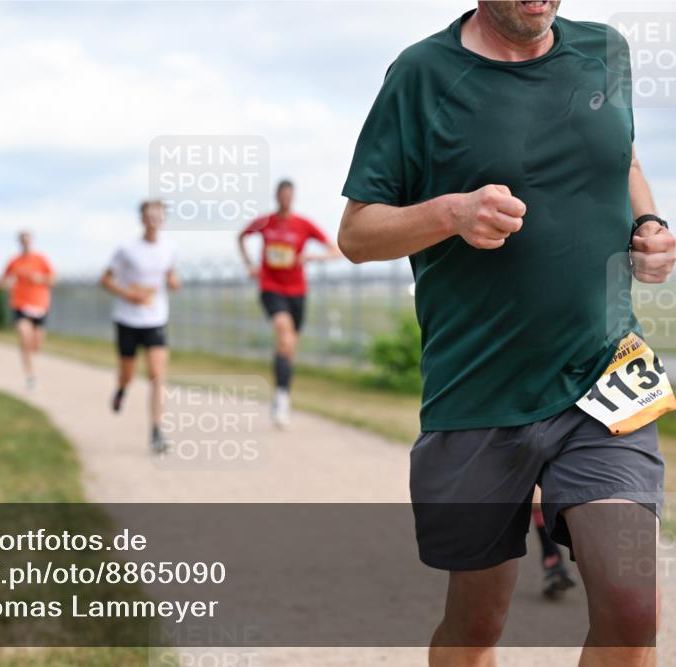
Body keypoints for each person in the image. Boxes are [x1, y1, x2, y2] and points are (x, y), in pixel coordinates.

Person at [338, 2, 674, 665]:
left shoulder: (604, 49)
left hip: (605, 372)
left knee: (632, 609)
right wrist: (451, 211)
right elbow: (356, 233)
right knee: (477, 622)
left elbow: (623, 157)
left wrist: (650, 227)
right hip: (479, 390)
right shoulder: (423, 74)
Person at [238, 180, 340, 427]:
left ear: (292, 197)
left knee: (290, 346)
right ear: (276, 196)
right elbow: (241, 237)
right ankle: (282, 398)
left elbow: (336, 250)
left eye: (289, 195)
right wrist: (250, 265)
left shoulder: (303, 224)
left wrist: (312, 256)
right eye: (281, 194)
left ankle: (281, 392)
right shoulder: (266, 222)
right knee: (284, 335)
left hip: (297, 291)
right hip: (271, 288)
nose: (285, 198)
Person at [100, 200, 179, 454]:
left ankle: (157, 430)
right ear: (142, 219)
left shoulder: (169, 248)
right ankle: (122, 389)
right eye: (150, 216)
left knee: (157, 375)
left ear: (163, 220)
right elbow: (105, 280)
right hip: (127, 319)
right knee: (129, 373)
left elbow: (169, 276)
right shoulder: (126, 249)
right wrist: (127, 294)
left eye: (159, 216)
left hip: (155, 318)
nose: (154, 221)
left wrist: (174, 282)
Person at [1, 231, 56, 391]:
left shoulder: (41, 259)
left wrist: (42, 279)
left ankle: (30, 359)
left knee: (36, 345)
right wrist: (8, 284)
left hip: (40, 305)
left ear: (31, 241)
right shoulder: (14, 261)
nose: (25, 243)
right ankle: (30, 376)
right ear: (19, 242)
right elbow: (3, 282)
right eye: (22, 241)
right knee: (25, 337)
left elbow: (54, 279)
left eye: (28, 240)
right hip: (20, 305)